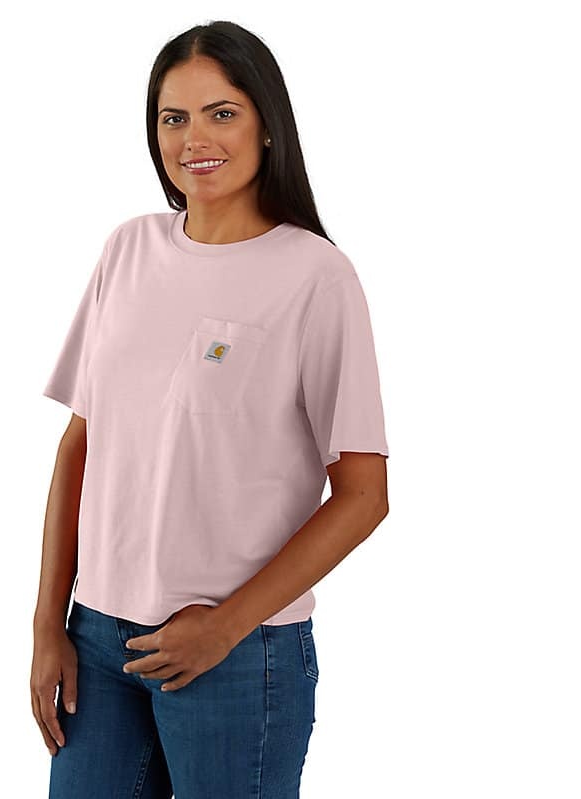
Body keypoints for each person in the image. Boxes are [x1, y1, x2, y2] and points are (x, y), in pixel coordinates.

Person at [31, 20, 390, 799]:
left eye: (221, 112)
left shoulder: (316, 277)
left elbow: (364, 495)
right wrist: (47, 623)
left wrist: (225, 626)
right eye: (174, 117)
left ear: (267, 124)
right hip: (97, 642)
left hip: (239, 654)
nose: (195, 138)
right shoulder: (127, 250)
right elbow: (78, 446)